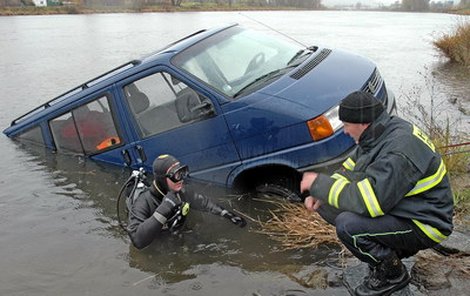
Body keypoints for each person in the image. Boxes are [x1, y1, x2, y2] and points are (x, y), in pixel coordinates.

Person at [300, 91, 453, 296]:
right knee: (327, 204)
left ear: (362, 123)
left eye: (346, 125)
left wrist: (320, 185)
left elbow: (371, 202)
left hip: (426, 222)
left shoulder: (398, 150)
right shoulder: (378, 133)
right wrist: (322, 192)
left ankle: (392, 274)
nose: (345, 131)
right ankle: (387, 252)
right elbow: (349, 170)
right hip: (407, 207)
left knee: (348, 225)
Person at [127, 154, 246, 249]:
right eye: (176, 175)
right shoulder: (144, 202)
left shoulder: (181, 191)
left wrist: (227, 214)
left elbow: (204, 203)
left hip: (180, 236)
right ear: (162, 179)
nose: (181, 179)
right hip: (160, 246)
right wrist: (164, 208)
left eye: (182, 172)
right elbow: (137, 241)